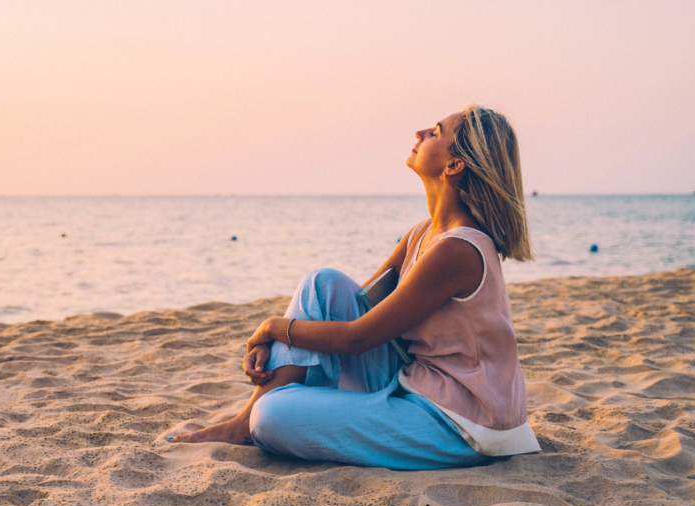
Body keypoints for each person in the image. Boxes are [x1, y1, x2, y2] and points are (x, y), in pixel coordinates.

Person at [170, 104, 540, 470]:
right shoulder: (422, 233)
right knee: (322, 284)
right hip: (415, 381)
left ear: (454, 166)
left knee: (271, 416)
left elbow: (356, 338)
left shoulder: (458, 249)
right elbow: (350, 308)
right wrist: (281, 342)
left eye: (436, 132)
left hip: (463, 422)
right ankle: (242, 423)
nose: (421, 133)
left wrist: (271, 328)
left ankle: (256, 418)